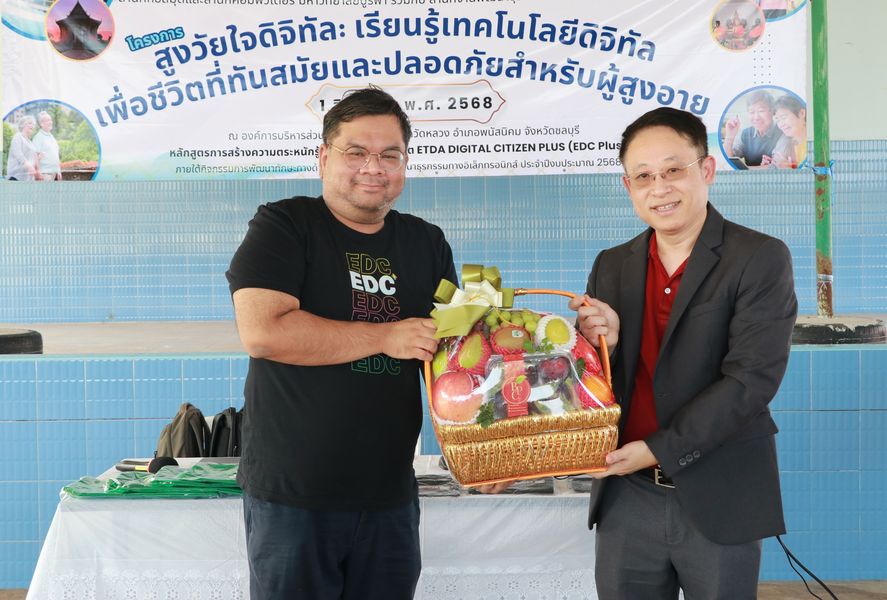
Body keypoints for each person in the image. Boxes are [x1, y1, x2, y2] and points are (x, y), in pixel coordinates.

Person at [226, 86, 457, 600]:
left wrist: (488, 436)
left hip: (390, 495)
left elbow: (452, 359)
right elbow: (264, 333)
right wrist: (387, 336)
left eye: (390, 155)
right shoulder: (285, 225)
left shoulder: (426, 242)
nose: (374, 167)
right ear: (324, 158)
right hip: (294, 496)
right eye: (357, 152)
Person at [568, 107, 797, 599]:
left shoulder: (758, 257)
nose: (660, 188)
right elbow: (590, 381)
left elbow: (751, 380)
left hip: (719, 492)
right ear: (628, 186)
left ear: (707, 169)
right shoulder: (612, 265)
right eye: (643, 176)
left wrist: (658, 448)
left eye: (673, 170)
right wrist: (603, 344)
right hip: (627, 497)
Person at [722, 90, 786, 167]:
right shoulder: (746, 133)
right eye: (752, 112)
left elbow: (776, 167)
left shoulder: (783, 132)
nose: (756, 117)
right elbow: (728, 160)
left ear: (772, 111)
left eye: (761, 111)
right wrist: (730, 135)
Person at [769, 94, 808, 169]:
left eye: (784, 117)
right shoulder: (784, 142)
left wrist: (787, 170)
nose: (781, 125)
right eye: (777, 120)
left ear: (802, 113)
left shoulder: (816, 143)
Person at [5, 115, 40, 181]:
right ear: (23, 124)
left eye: (33, 124)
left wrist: (38, 158)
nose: (32, 125)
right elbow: (18, 153)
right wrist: (29, 166)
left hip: (27, 178)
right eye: (30, 123)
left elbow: (32, 157)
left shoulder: (30, 142)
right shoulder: (18, 136)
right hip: (16, 176)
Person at [32, 111, 63, 181]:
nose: (51, 122)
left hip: (54, 174)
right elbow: (34, 157)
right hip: (44, 174)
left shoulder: (51, 137)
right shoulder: (38, 137)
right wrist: (38, 172)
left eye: (51, 120)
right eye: (48, 120)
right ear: (41, 124)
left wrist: (58, 170)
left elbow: (56, 155)